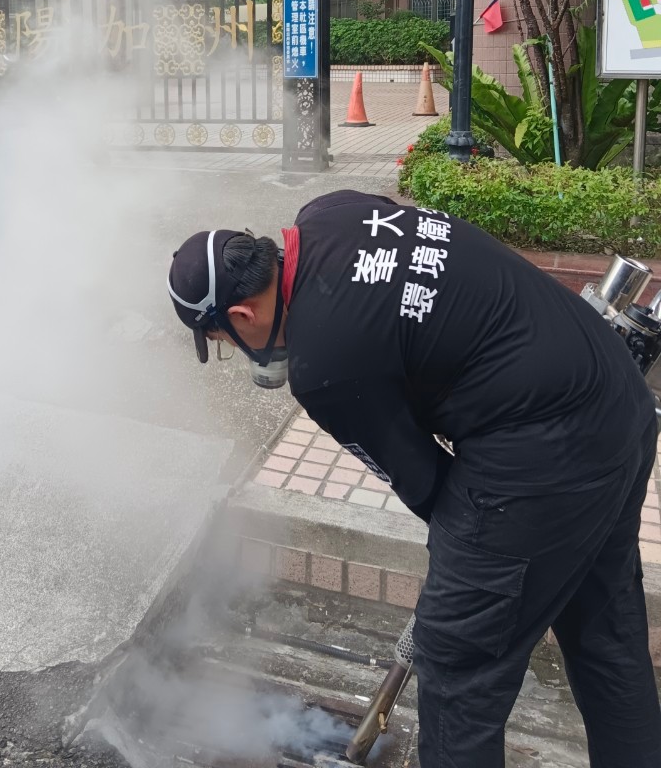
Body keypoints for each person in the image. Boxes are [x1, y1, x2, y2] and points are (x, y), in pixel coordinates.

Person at [167, 190, 661, 768]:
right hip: (617, 400)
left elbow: (430, 487)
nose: (238, 352)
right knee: (605, 629)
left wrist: (469, 582)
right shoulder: (332, 211)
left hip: (544, 452)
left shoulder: (323, 369)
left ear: (241, 316)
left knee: (457, 668)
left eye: (225, 342)